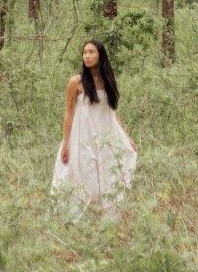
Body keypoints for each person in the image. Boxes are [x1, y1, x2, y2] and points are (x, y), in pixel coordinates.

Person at [50, 39, 137, 218]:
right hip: (82, 134)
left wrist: (126, 136)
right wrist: (65, 143)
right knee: (76, 171)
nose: (87, 56)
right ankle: (70, 216)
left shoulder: (107, 80)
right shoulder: (76, 81)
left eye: (91, 52)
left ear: (100, 55)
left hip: (104, 132)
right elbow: (68, 112)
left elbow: (111, 111)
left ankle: (104, 215)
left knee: (106, 172)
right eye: (84, 52)